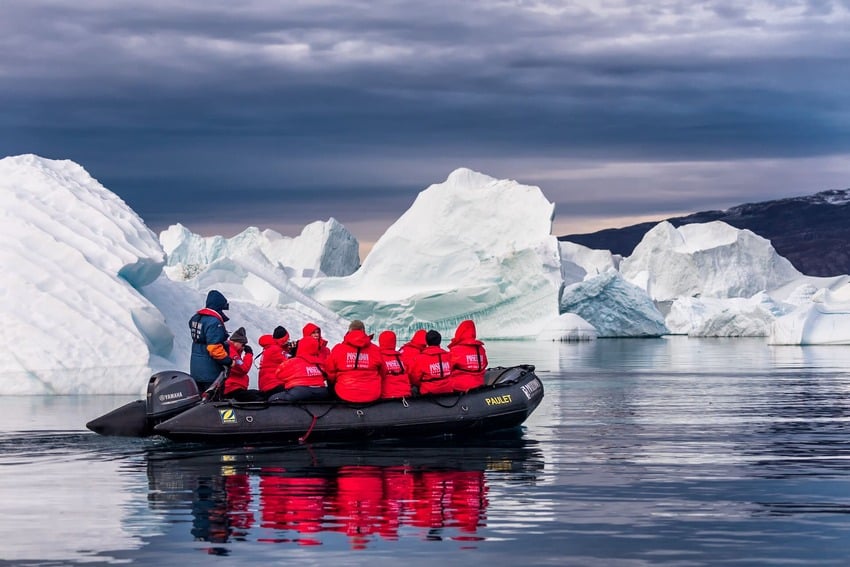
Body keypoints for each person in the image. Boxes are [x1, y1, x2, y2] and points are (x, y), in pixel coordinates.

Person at [325, 320, 386, 403]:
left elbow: (330, 373)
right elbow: (383, 372)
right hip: (372, 394)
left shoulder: (338, 349)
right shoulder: (375, 350)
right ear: (363, 331)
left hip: (344, 393)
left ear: (349, 331)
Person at [188, 289, 232, 391]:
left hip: (196, 367)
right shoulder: (214, 322)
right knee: (213, 398)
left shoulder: (196, 318)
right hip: (210, 370)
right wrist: (228, 361)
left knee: (200, 397)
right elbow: (214, 347)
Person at [265, 335, 330, 402]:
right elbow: (326, 376)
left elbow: (279, 374)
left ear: (301, 346)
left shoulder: (293, 361)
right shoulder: (320, 362)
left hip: (299, 392)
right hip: (321, 392)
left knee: (272, 399)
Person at [222, 327, 263, 401]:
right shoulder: (232, 353)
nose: (243, 347)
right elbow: (243, 369)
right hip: (232, 388)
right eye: (242, 344)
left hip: (234, 387)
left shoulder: (232, 351)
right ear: (236, 342)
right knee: (258, 399)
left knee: (259, 394)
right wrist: (249, 354)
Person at [447, 319, 488, 392]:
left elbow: (448, 368)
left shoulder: (456, 350)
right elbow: (485, 364)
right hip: (479, 384)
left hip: (459, 386)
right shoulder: (481, 349)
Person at [408, 330, 453, 395]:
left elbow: (414, 378)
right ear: (440, 341)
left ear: (426, 341)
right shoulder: (448, 355)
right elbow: (451, 371)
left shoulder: (420, 358)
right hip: (448, 390)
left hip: (429, 392)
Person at [378, 330, 412, 399]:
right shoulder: (402, 358)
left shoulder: (378, 358)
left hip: (386, 396)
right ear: (394, 342)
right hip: (405, 394)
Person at [257, 325, 291, 392]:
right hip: (274, 384)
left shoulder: (271, 347)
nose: (288, 341)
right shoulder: (275, 349)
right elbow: (290, 362)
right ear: (283, 339)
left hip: (267, 383)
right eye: (287, 339)